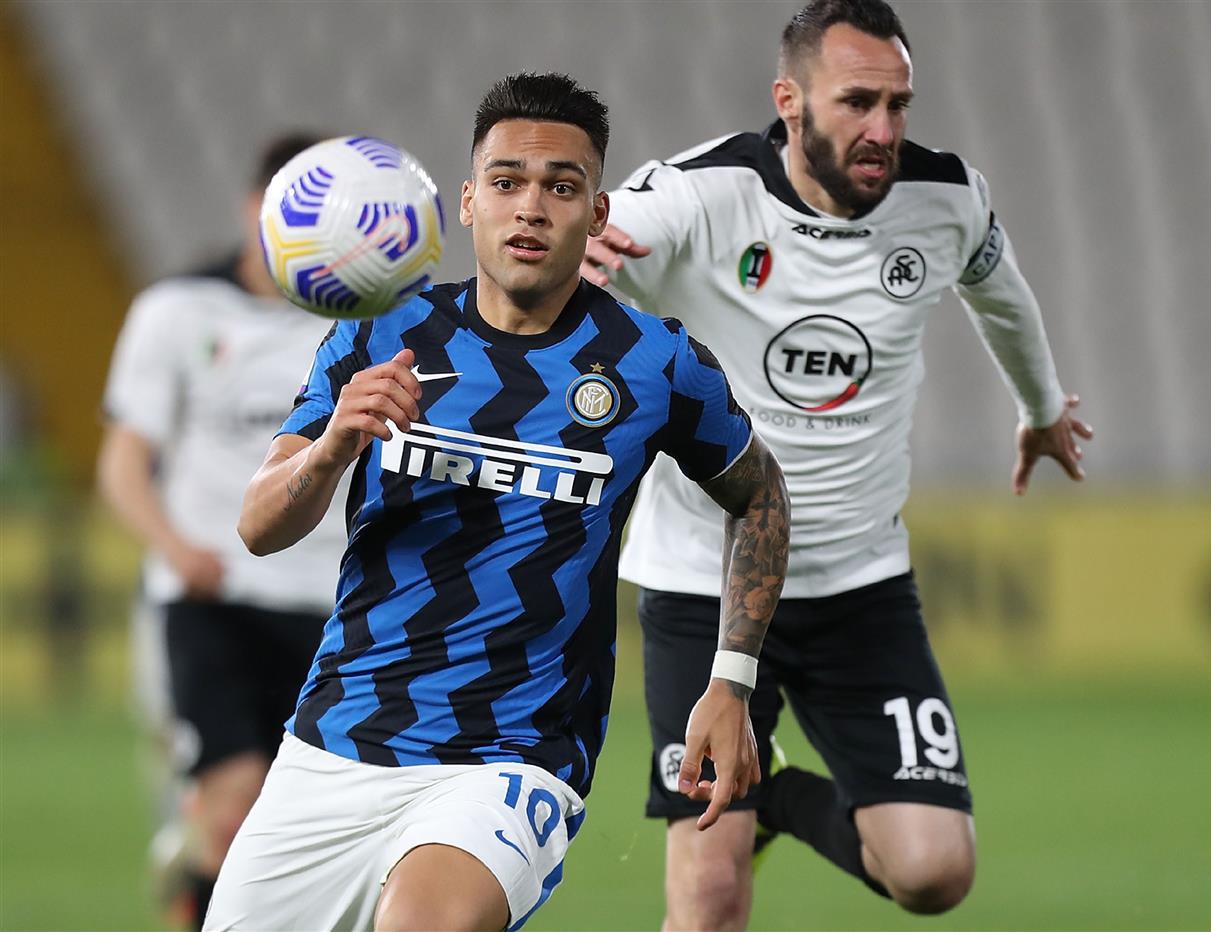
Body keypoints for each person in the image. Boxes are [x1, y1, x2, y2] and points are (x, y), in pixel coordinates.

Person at [204, 72, 790, 931]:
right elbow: (259, 527)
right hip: (336, 741)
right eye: (508, 182)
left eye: (563, 186)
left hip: (513, 756)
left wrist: (730, 684)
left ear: (596, 215)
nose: (532, 208)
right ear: (470, 201)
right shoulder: (378, 336)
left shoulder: (653, 362)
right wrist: (333, 449)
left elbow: (761, 496)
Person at [581, 0, 1093, 926]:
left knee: (934, 874)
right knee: (708, 895)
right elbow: (618, 231)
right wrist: (589, 241)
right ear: (790, 101)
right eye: (858, 102)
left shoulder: (947, 200)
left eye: (899, 105)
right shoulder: (706, 193)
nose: (884, 130)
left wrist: (1042, 408)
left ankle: (763, 790)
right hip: (706, 583)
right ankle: (732, 797)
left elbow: (1003, 297)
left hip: (860, 588)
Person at [97, 133, 347, 929]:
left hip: (334, 606)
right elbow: (124, 461)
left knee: (310, 833)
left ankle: (192, 882)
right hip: (214, 598)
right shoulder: (176, 312)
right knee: (234, 805)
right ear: (253, 210)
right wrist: (175, 550)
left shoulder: (368, 325)